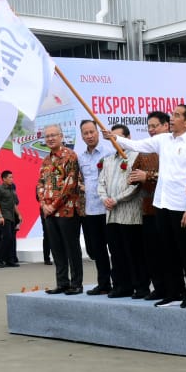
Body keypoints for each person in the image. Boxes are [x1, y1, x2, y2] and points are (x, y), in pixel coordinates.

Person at [107, 105, 186, 308]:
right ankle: (173, 292)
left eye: (177, 115)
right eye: (172, 114)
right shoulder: (163, 140)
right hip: (162, 204)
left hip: (182, 207)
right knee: (167, 252)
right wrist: (114, 137)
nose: (172, 117)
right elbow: (138, 145)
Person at [96, 124, 142, 297]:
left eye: (117, 138)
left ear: (127, 138)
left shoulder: (137, 156)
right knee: (116, 253)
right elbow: (101, 183)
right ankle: (122, 286)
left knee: (133, 253)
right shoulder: (108, 160)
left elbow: (136, 186)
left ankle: (140, 286)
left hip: (130, 215)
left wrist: (116, 199)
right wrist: (104, 199)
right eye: (111, 139)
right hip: (111, 214)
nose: (114, 142)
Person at [39, 125, 85, 294]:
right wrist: (44, 204)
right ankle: (62, 283)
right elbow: (40, 184)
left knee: (71, 247)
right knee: (56, 248)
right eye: (47, 136)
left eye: (53, 135)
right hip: (49, 212)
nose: (50, 138)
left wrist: (53, 205)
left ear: (61, 136)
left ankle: (76, 283)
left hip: (67, 210)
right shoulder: (46, 160)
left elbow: (70, 185)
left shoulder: (70, 156)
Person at [129, 111, 168, 299]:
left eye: (155, 126)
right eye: (149, 127)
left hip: (169, 208)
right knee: (152, 253)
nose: (152, 130)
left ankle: (174, 287)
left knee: (168, 252)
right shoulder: (144, 151)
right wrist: (135, 177)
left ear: (166, 126)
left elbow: (173, 177)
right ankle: (158, 288)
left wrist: (149, 176)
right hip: (148, 208)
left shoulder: (172, 148)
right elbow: (133, 175)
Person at [78, 119, 114, 295]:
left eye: (92, 132)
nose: (89, 136)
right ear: (82, 136)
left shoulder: (109, 152)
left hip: (109, 209)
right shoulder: (81, 157)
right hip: (91, 210)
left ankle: (121, 282)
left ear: (98, 132)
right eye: (86, 133)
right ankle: (104, 283)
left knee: (114, 248)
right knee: (97, 250)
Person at [0, 170, 21, 267]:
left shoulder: (11, 189)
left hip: (12, 216)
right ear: (4, 179)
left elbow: (14, 204)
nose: (12, 179)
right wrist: (0, 216)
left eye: (12, 177)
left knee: (11, 238)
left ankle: (10, 259)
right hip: (4, 216)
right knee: (6, 237)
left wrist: (19, 214)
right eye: (10, 177)